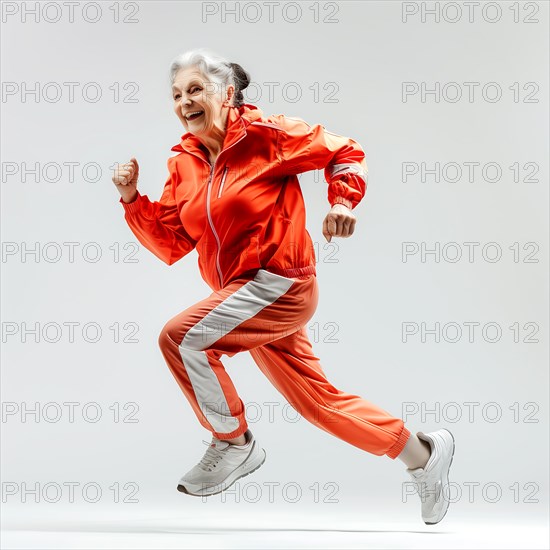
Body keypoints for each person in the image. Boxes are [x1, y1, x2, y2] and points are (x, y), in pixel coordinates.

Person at [112, 48, 455, 524]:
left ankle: (232, 442)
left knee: (181, 338)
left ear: (226, 94)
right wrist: (131, 199)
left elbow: (345, 152)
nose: (184, 102)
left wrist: (344, 203)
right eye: (176, 94)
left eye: (195, 90)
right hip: (240, 296)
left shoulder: (267, 136)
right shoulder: (184, 163)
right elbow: (172, 241)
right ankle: (421, 454)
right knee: (318, 404)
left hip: (279, 283)